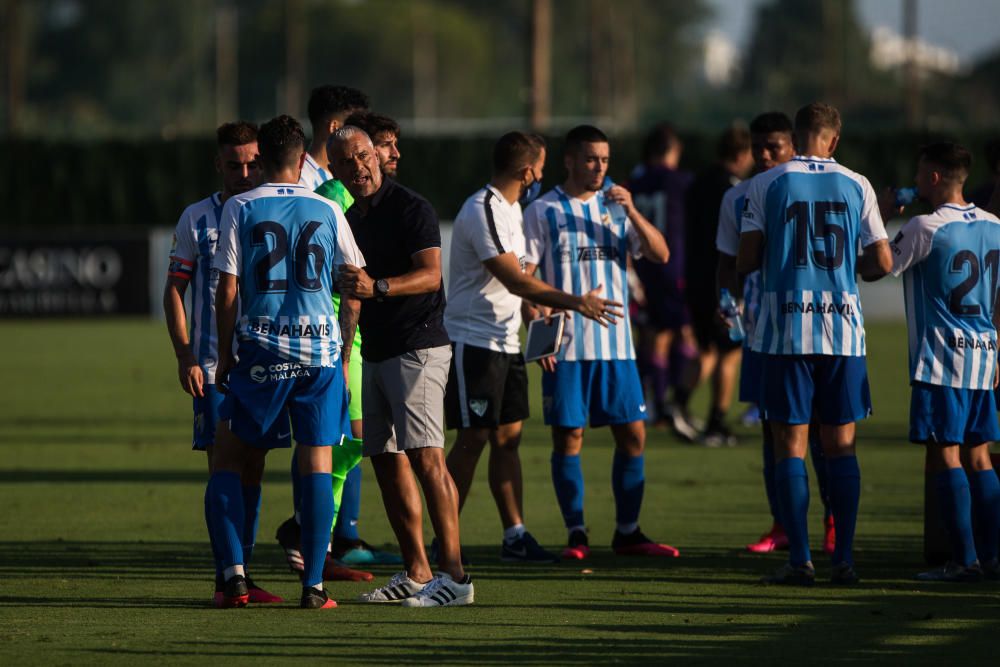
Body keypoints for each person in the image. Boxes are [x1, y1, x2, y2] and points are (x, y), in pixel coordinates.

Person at [206, 114, 365, 610]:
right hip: (319, 353)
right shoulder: (327, 208)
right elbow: (354, 287)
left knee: (232, 460)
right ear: (301, 158)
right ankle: (314, 587)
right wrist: (341, 347)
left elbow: (227, 289)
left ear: (263, 158)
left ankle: (234, 577)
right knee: (317, 463)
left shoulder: (240, 206)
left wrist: (228, 352)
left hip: (262, 351)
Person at [443, 131, 623, 564]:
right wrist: (577, 302)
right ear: (526, 172)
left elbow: (521, 290)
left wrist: (536, 320)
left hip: (507, 340)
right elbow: (516, 279)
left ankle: (515, 534)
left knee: (508, 439)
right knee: (473, 440)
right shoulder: (481, 208)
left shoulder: (512, 210)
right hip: (476, 343)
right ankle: (441, 540)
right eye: (539, 168)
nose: (541, 175)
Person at [737, 102, 892, 585]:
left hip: (785, 329)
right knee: (841, 447)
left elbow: (746, 260)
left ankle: (800, 560)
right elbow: (882, 262)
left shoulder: (766, 183)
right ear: (834, 138)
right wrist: (851, 270)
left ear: (797, 135)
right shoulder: (858, 183)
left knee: (791, 446)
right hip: (843, 329)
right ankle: (843, 559)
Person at [331, 126, 474, 607]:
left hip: (419, 347)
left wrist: (381, 288)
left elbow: (432, 274)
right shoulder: (350, 218)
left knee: (427, 458)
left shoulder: (411, 206)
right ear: (335, 170)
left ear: (377, 155)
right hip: (374, 351)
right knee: (386, 461)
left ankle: (454, 576)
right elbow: (353, 290)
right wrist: (341, 350)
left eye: (364, 156)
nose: (359, 167)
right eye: (347, 162)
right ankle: (417, 571)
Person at [523, 124, 676, 561]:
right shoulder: (543, 210)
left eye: (605, 160)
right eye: (591, 159)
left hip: (616, 347)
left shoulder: (616, 207)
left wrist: (633, 211)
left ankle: (628, 531)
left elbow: (661, 254)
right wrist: (540, 339)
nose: (599, 167)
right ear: (569, 160)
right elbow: (525, 282)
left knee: (633, 436)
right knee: (568, 437)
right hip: (568, 348)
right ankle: (576, 534)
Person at [274, 110, 406, 577]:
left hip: (362, 339)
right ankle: (309, 534)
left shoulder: (372, 199)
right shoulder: (333, 197)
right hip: (336, 337)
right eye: (385, 144)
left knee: (349, 443)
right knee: (349, 440)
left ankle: (314, 538)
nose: (392, 154)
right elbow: (343, 281)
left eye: (387, 146)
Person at [163, 121, 281, 607]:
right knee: (223, 464)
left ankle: (241, 571)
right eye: (235, 164)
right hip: (214, 367)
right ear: (219, 165)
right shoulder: (197, 218)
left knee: (254, 467)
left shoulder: (274, 211)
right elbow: (175, 289)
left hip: (267, 365)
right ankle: (227, 575)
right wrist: (185, 355)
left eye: (253, 163)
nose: (245, 172)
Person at [879, 142, 1000, 581]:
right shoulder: (994, 224)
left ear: (932, 177)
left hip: (941, 359)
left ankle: (962, 561)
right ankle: (991, 557)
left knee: (947, 456)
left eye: (919, 169)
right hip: (985, 357)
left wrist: (881, 212)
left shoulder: (924, 226)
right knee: (981, 458)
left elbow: (872, 267)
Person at [716, 111, 835, 555]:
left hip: (814, 326)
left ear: (794, 147)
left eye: (775, 148)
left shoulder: (814, 189)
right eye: (758, 148)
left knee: (822, 428)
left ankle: (832, 521)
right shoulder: (738, 197)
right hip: (763, 332)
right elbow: (727, 263)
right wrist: (726, 304)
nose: (764, 156)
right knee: (773, 428)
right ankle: (783, 524)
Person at [627, 124, 699, 440]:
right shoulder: (680, 181)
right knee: (685, 337)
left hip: (642, 269)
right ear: (671, 151)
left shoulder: (634, 182)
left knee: (650, 337)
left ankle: (652, 403)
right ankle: (670, 402)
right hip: (673, 268)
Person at [685, 124, 753, 446]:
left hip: (696, 278)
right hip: (723, 281)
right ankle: (714, 420)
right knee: (728, 352)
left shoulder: (697, 181)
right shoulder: (734, 190)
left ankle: (678, 403)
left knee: (709, 348)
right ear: (742, 154)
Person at [298, 85, 370, 190]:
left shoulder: (356, 174)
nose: (361, 133)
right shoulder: (301, 180)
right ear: (334, 127)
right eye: (355, 126)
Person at [344, 111, 402, 178]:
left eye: (395, 144)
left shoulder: (396, 188)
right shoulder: (335, 187)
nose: (397, 154)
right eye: (385, 145)